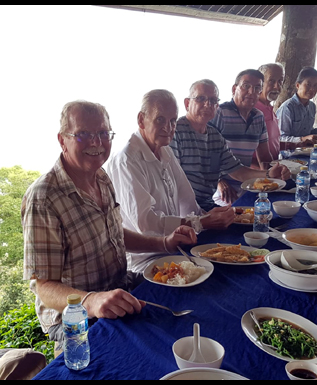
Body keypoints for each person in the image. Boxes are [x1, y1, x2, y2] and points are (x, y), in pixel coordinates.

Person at [21, 100, 197, 357]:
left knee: (189, 304)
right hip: (76, 316)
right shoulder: (44, 197)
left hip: (120, 287)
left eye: (104, 133)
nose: (97, 142)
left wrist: (164, 243)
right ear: (62, 140)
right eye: (84, 135)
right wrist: (92, 301)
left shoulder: (101, 177)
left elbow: (114, 234)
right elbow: (44, 286)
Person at [105, 89, 236, 273]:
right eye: (160, 119)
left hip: (177, 249)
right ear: (141, 120)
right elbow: (145, 224)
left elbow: (187, 202)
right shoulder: (127, 161)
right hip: (145, 263)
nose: (168, 127)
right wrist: (201, 222)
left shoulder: (164, 150)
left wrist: (215, 215)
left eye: (173, 121)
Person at [170, 79, 291, 211]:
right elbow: (171, 185)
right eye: (200, 98)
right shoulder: (176, 132)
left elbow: (238, 171)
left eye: (213, 100)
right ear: (187, 103)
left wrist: (268, 174)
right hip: (183, 212)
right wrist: (199, 220)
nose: (207, 104)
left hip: (206, 207)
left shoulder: (215, 137)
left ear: (217, 106)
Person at [210, 69, 275, 171]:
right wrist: (219, 182)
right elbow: (209, 154)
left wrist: (272, 175)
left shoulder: (258, 117)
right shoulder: (220, 113)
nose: (251, 92)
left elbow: (264, 157)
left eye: (257, 88)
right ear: (234, 89)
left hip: (246, 181)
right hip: (221, 181)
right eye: (246, 86)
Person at [277, 67, 317, 145]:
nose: (312, 89)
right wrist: (302, 139)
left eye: (315, 85)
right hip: (289, 154)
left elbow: (308, 132)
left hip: (306, 150)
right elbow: (280, 138)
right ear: (298, 85)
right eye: (308, 85)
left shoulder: (312, 106)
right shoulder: (287, 108)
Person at [253, 63, 284, 169]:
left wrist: (297, 145)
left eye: (280, 81)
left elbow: (273, 144)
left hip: (272, 170)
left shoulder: (271, 110)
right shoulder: (252, 111)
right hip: (256, 176)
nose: (277, 86)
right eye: (271, 81)